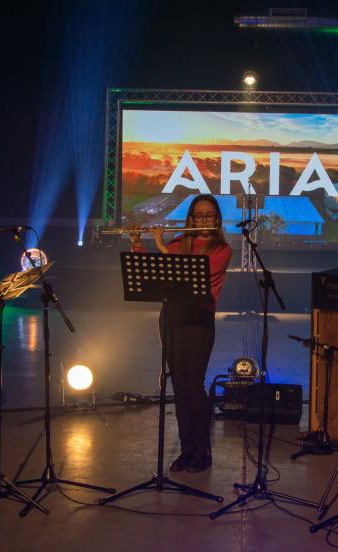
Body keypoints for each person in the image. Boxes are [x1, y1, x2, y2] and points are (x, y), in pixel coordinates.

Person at [129, 194, 232, 473]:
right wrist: (139, 243)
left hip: (198, 320)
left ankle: (203, 450)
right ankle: (187, 449)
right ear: (191, 218)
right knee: (179, 388)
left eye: (209, 215)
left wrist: (161, 245)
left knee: (194, 386)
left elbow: (196, 276)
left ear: (217, 219)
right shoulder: (178, 243)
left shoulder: (221, 249)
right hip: (173, 318)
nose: (203, 220)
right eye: (198, 216)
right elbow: (153, 272)